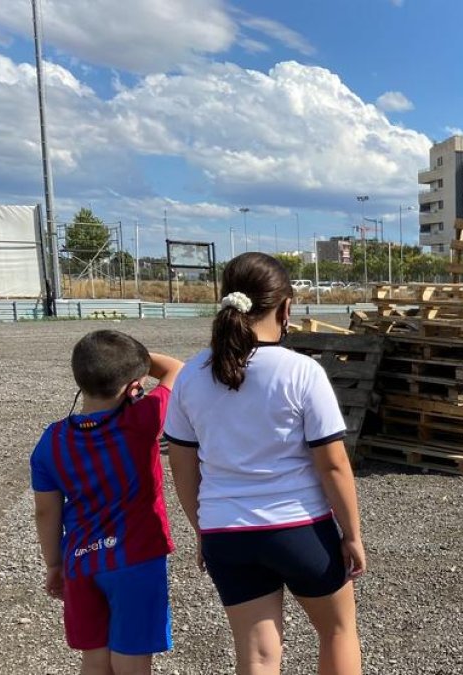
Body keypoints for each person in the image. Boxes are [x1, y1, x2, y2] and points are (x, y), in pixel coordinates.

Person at [164, 252, 365, 675]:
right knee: (337, 632)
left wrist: (203, 529)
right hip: (299, 529)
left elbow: (182, 468)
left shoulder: (191, 375)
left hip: (226, 533)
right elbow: (332, 466)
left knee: (257, 655)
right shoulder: (302, 372)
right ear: (286, 307)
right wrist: (352, 535)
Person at [30, 330, 183, 675]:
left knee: (95, 658)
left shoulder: (51, 441)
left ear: (79, 380)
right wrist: (137, 362)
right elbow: (177, 369)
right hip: (137, 559)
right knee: (131, 657)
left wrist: (54, 564)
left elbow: (46, 511)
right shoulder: (142, 420)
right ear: (134, 388)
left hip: (81, 563)